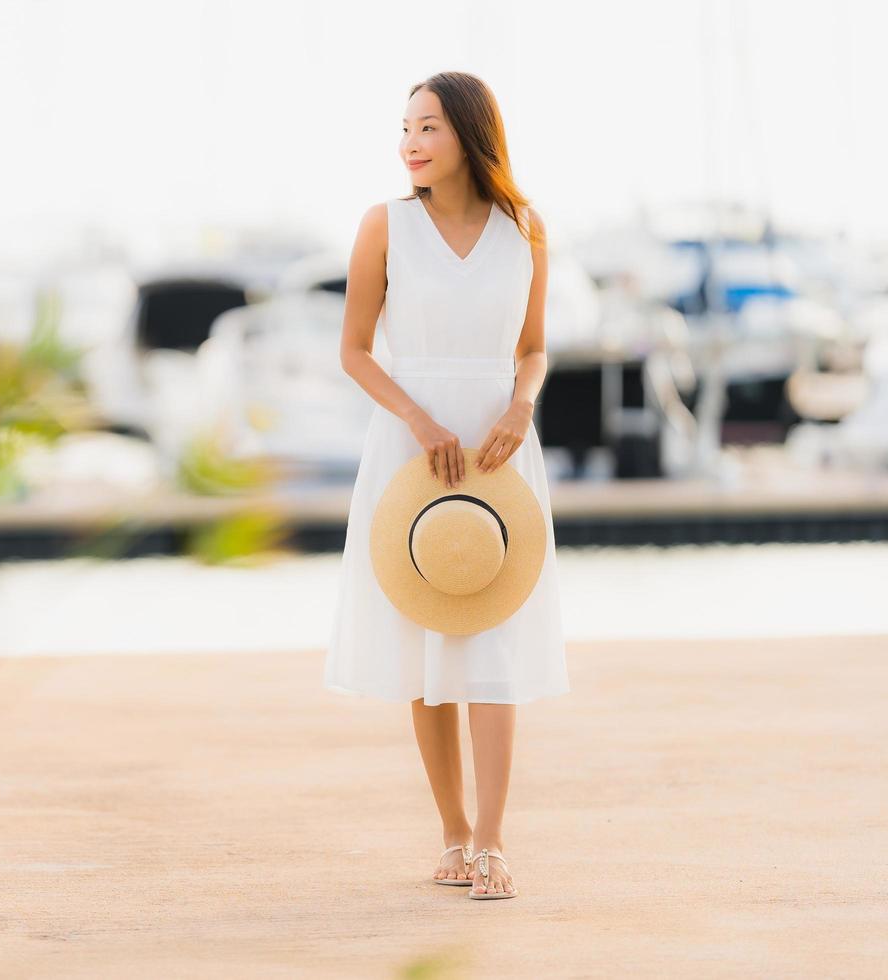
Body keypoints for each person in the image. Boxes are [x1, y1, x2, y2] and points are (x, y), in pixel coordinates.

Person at [322, 71, 570, 901]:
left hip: (500, 451)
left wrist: (520, 407)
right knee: (428, 639)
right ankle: (454, 835)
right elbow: (355, 350)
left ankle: (496, 843)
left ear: (470, 132)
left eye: (427, 126)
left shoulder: (526, 229)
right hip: (411, 445)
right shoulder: (383, 226)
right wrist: (420, 422)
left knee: (491, 636)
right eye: (404, 128)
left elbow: (532, 347)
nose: (410, 142)